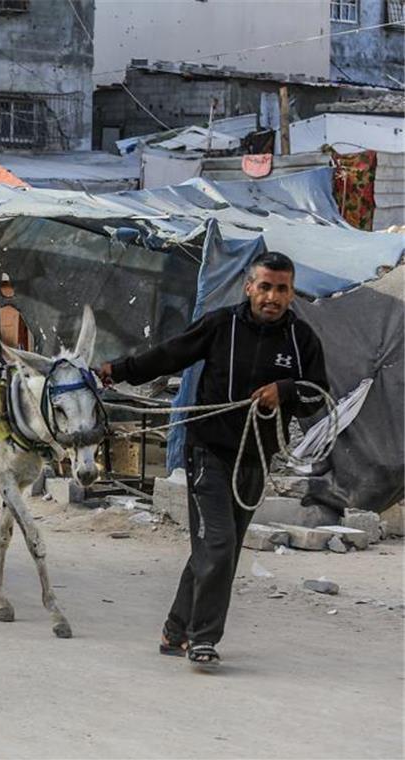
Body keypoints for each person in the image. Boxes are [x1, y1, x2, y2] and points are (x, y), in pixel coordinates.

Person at [97, 251, 328, 670]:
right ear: (249, 286)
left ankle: (174, 630)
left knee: (218, 549)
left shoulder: (302, 340)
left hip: (256, 458)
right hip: (208, 452)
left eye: (281, 289)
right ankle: (203, 639)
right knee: (218, 545)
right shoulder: (222, 325)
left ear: (292, 293)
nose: (272, 296)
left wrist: (286, 391)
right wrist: (120, 370)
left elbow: (317, 396)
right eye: (264, 286)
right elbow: (171, 354)